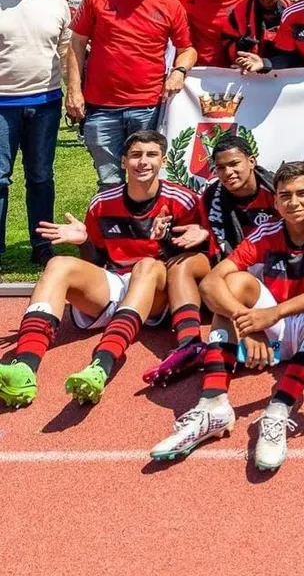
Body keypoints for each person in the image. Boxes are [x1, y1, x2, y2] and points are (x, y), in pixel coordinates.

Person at [150, 161, 304, 471]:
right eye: (285, 196)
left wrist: (272, 314)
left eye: (302, 194)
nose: (293, 202)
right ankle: (213, 405)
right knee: (234, 284)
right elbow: (212, 282)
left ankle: (279, 410)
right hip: (276, 330)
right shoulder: (266, 231)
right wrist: (246, 322)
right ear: (275, 200)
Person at [0, 131, 197, 408]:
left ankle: (100, 365)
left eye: (151, 155)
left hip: (157, 292)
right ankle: (25, 367)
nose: (143, 162)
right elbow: (95, 262)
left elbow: (191, 265)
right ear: (123, 161)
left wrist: (166, 243)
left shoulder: (184, 200)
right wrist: (85, 242)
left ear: (163, 161)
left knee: (146, 266)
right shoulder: (102, 202)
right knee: (59, 264)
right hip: (116, 283)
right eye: (136, 155)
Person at [142, 134, 279, 387]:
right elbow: (207, 243)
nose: (228, 172)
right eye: (221, 167)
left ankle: (249, 334)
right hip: (231, 266)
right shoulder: (212, 195)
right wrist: (167, 237)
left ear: (251, 161)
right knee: (182, 264)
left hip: (276, 271)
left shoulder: (278, 190)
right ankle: (190, 344)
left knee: (235, 278)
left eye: (234, 164)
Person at [67, 0, 196, 188]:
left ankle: (145, 227)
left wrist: (179, 71)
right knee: (109, 181)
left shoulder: (171, 5)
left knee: (146, 178)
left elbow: (187, 49)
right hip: (100, 107)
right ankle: (112, 226)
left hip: (147, 107)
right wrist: (73, 89)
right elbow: (76, 44)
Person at [0, 0, 72, 267]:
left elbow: (67, 51)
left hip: (44, 102)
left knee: (41, 177)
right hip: (2, 105)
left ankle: (41, 244)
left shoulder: (56, 3)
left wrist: (74, 90)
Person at [220, 0, 285, 65]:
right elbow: (226, 41)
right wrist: (239, 47)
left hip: (285, 72)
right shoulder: (240, 10)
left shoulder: (292, 9)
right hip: (250, 74)